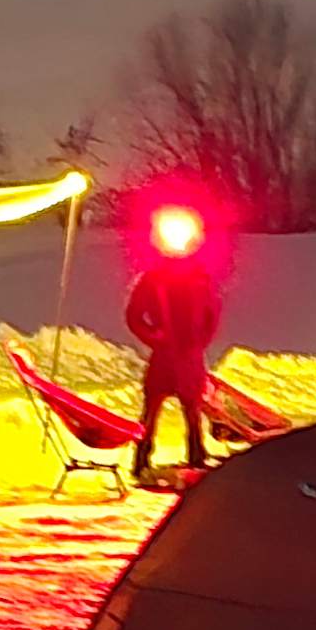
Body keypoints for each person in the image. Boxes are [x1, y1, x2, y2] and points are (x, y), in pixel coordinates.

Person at [123, 203, 225, 487]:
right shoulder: (153, 278)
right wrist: (153, 336)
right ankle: (141, 459)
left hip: (189, 355)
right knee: (151, 410)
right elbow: (133, 314)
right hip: (164, 355)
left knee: (192, 410)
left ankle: (196, 456)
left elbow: (212, 313)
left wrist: (199, 342)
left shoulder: (199, 279)